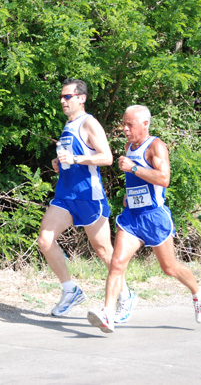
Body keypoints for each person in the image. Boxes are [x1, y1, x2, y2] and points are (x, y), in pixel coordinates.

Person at [88, 105, 201, 333]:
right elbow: (139, 183)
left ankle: (199, 293)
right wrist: (130, 195)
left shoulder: (156, 146)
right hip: (132, 217)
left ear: (145, 124)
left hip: (155, 218)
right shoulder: (128, 146)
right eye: (123, 124)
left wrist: (134, 168)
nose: (124, 129)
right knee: (116, 263)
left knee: (170, 268)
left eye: (129, 125)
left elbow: (164, 179)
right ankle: (108, 313)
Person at [37, 78, 135, 319]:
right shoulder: (68, 125)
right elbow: (72, 156)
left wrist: (77, 160)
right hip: (65, 195)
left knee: (103, 251)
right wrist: (59, 163)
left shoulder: (89, 123)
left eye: (67, 97)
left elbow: (107, 158)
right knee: (44, 241)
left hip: (88, 196)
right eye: (61, 97)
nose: (62, 101)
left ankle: (125, 295)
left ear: (81, 98)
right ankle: (70, 291)